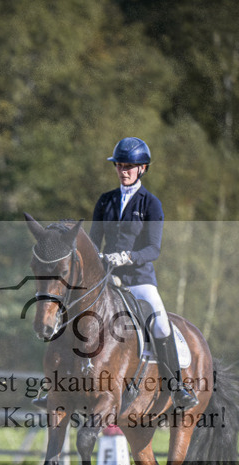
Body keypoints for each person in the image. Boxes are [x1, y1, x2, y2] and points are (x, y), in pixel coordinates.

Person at [90, 137, 198, 409]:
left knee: (161, 323)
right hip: (108, 280)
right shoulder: (106, 201)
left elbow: (153, 249)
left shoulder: (151, 204)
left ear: (143, 169)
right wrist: (98, 261)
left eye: (130, 166)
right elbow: (94, 241)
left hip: (138, 281)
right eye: (120, 165)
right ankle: (56, 385)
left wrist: (127, 257)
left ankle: (177, 386)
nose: (123, 170)